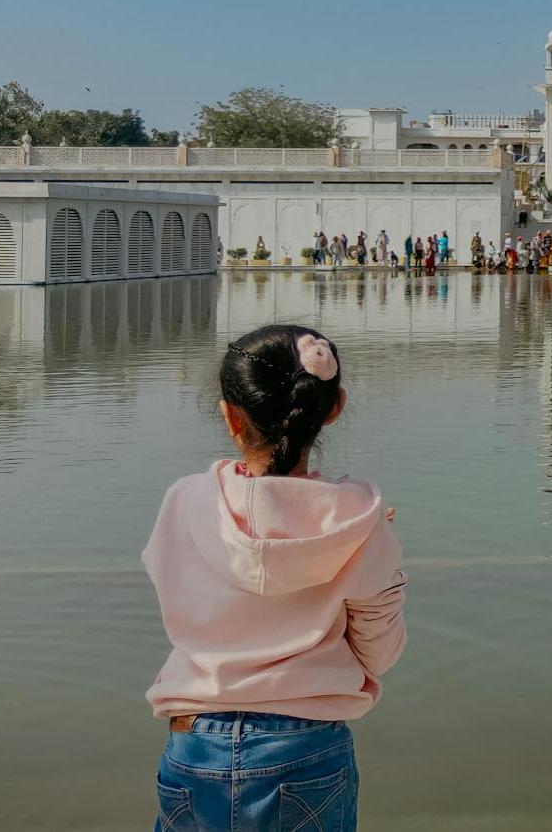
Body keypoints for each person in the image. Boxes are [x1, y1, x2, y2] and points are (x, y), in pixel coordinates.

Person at [143, 326, 406, 831]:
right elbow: (380, 653)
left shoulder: (186, 501)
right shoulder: (359, 521)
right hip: (308, 747)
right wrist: (367, 544)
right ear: (333, 407)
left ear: (229, 415)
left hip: (195, 740)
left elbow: (182, 604)